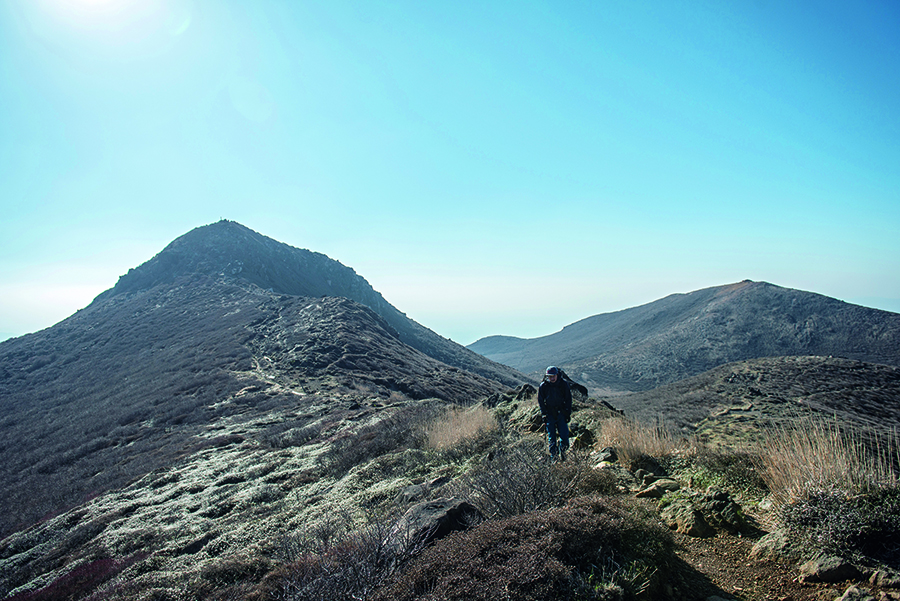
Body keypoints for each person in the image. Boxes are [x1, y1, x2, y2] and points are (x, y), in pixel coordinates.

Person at [537, 366, 572, 461]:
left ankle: (563, 454)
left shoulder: (563, 384)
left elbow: (568, 399)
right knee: (551, 438)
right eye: (550, 376)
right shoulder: (543, 386)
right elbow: (541, 401)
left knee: (564, 436)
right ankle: (554, 459)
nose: (552, 378)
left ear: (557, 375)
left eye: (553, 376)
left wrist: (568, 413)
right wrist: (544, 414)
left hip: (561, 413)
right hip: (549, 414)